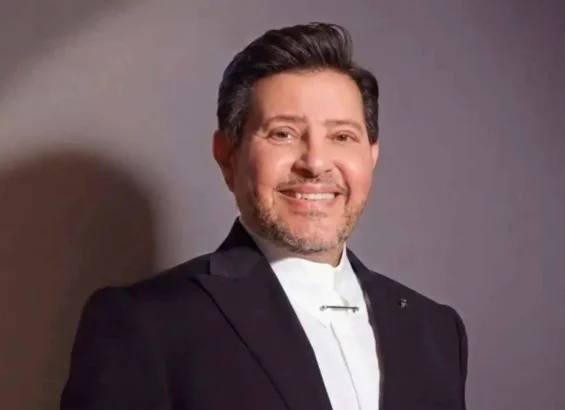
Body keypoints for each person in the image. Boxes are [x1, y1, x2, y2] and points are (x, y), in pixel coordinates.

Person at [60, 22, 468, 410]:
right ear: (228, 156)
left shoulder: (434, 330)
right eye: (283, 133)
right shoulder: (145, 324)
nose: (315, 163)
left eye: (342, 136)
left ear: (371, 156)